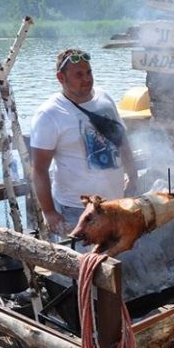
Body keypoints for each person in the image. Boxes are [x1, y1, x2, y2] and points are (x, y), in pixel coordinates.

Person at [30, 48, 137, 240]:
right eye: (78, 74)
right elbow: (39, 168)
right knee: (84, 264)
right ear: (60, 78)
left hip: (116, 201)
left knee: (118, 258)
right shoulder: (49, 114)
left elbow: (122, 141)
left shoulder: (104, 98)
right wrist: (49, 212)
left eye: (88, 72)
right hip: (76, 209)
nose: (86, 79)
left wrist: (133, 176)